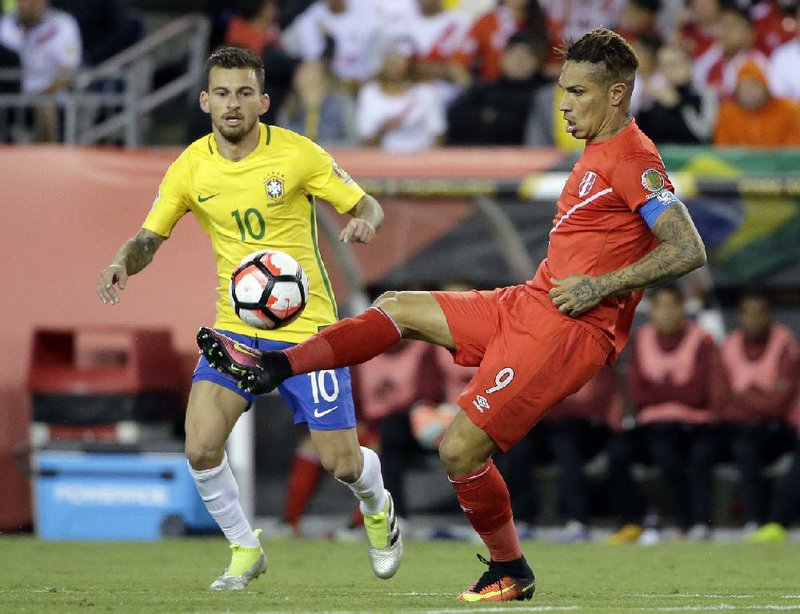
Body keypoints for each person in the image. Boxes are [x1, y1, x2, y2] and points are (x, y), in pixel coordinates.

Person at [198, 28, 707, 601]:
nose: (563, 104)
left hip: (570, 329)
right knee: (396, 308)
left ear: (617, 95)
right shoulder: (595, 149)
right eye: (562, 90)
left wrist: (603, 286)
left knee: (459, 448)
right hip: (531, 301)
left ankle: (509, 569)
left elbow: (688, 249)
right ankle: (271, 369)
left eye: (578, 93)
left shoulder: (635, 158)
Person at [96, 47, 402, 591]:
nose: (232, 104)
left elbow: (366, 204)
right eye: (221, 93)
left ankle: (378, 507)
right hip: (236, 327)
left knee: (344, 464)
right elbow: (150, 236)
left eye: (243, 93)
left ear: (262, 100)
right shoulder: (191, 166)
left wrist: (366, 223)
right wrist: (124, 261)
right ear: (204, 100)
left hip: (312, 332)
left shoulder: (298, 155)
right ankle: (244, 547)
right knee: (200, 446)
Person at [607, 285, 726, 544]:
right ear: (652, 311)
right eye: (660, 306)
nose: (667, 313)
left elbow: (701, 394)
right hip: (653, 426)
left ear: (683, 308)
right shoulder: (641, 338)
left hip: (693, 426)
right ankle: (631, 522)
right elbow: (637, 392)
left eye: (673, 306)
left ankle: (690, 524)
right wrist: (676, 390)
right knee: (618, 453)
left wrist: (661, 390)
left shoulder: (702, 340)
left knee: (680, 454)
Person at [719, 290, 800, 536]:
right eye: (747, 313)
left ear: (770, 316)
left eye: (759, 313)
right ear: (739, 316)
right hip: (738, 428)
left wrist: (742, 394)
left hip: (777, 429)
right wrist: (762, 395)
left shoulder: (786, 344)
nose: (753, 318)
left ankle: (774, 522)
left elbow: (778, 405)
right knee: (729, 445)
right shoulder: (729, 345)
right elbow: (721, 400)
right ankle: (754, 520)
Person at [0, 0, 82, 141]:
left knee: (45, 107)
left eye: (35, 1)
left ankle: (47, 158)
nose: (30, 5)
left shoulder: (62, 24)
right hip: (11, 96)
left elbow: (68, 71)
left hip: (48, 97)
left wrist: (43, 93)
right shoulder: (5, 23)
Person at [713, 59, 800, 147]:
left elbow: (794, 152)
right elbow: (723, 151)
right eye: (743, 87)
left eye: (754, 85)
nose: (749, 92)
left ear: (765, 88)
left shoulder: (789, 110)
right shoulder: (727, 113)